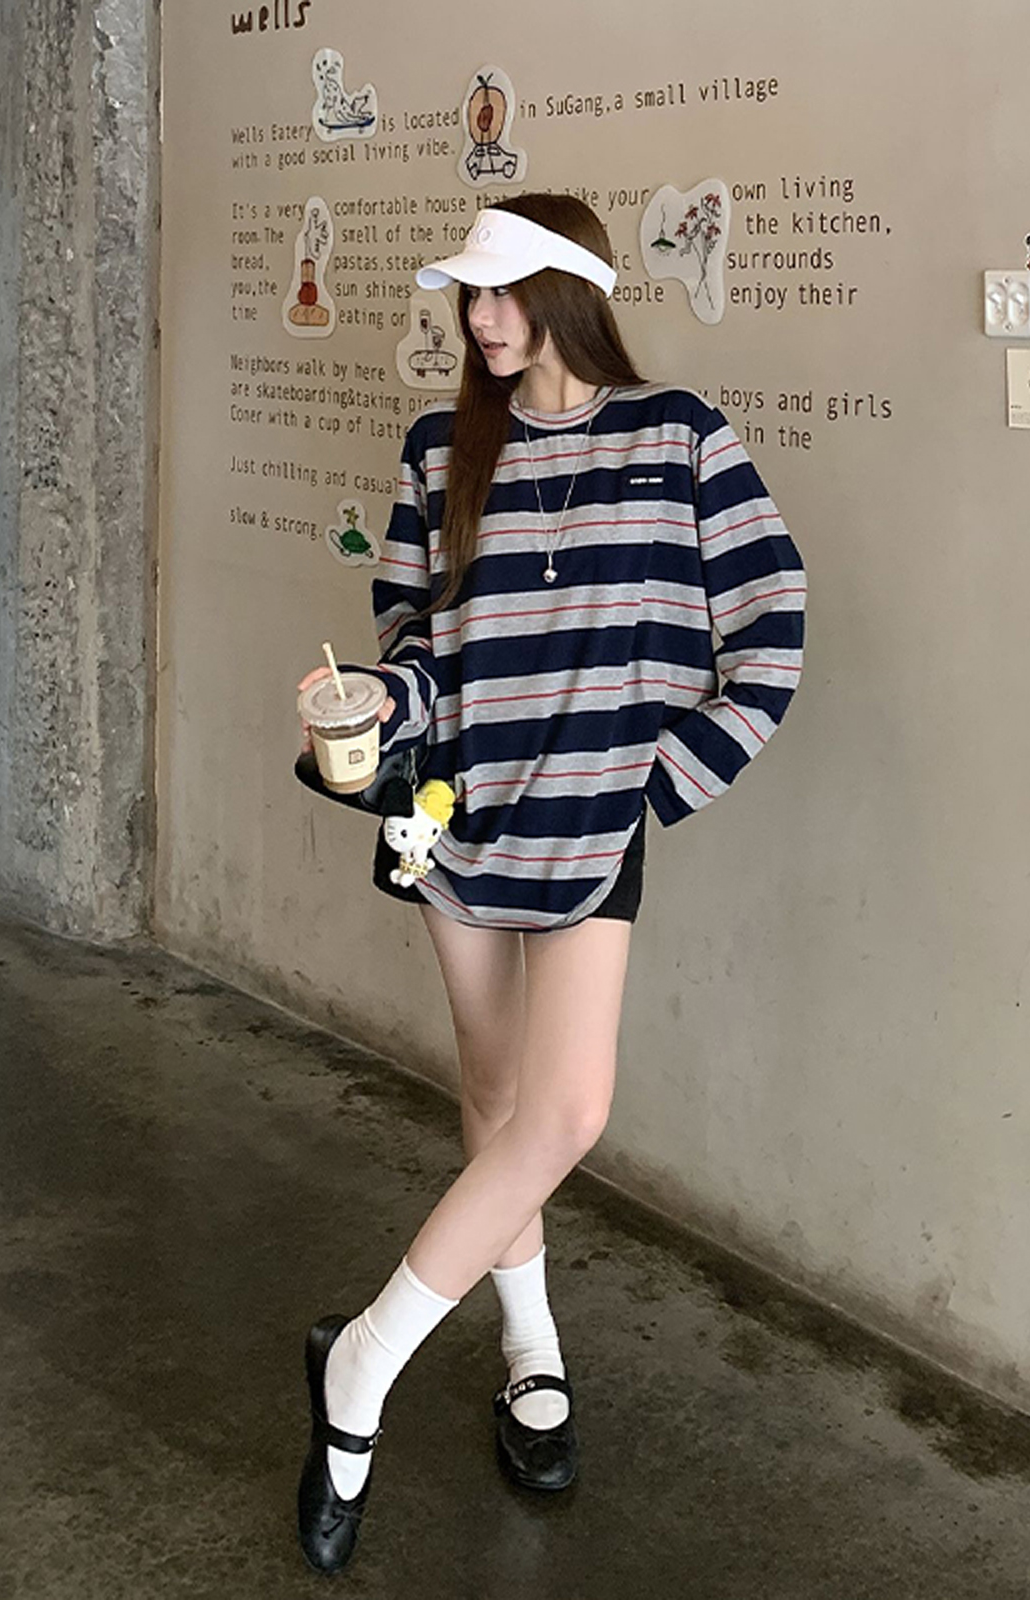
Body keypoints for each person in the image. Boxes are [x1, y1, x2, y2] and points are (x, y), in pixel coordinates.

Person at [293, 193, 806, 1574]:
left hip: (596, 820)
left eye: (503, 289)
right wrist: (371, 707)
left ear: (572, 287)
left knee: (565, 1110)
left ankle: (362, 1362)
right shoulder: (438, 447)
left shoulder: (678, 435)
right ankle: (532, 1351)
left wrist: (662, 783)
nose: (480, 317)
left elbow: (772, 625)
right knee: (497, 1095)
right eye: (470, 294)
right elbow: (417, 641)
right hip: (458, 814)